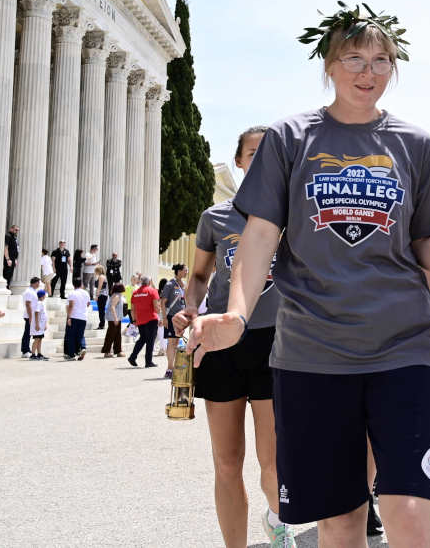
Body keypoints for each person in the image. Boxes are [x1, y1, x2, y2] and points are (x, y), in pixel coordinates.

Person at [185, 4, 430, 547]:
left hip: (404, 347)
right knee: (340, 516)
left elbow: (426, 242)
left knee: (407, 506)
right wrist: (237, 314)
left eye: (381, 59)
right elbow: (260, 236)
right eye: (353, 57)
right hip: (312, 352)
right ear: (328, 65)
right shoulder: (289, 138)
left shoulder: (416, 144)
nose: (368, 71)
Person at [172, 125, 297, 547]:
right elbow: (201, 276)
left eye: (268, 153)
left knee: (272, 463)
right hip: (224, 343)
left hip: (276, 344)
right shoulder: (215, 217)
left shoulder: (293, 215)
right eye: (251, 152)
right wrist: (190, 306)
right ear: (240, 161)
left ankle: (276, 520)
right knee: (226, 463)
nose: (259, 159)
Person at [160, 264, 188, 379]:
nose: (187, 272)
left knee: (176, 343)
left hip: (180, 318)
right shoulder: (170, 284)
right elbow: (162, 301)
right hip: (171, 317)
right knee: (171, 342)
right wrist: (164, 317)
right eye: (185, 270)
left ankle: (174, 367)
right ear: (179, 271)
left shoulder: (183, 285)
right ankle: (169, 368)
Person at [127, 276, 160, 368]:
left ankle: (132, 357)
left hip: (140, 319)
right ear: (149, 282)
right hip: (151, 319)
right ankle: (148, 362)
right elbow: (156, 308)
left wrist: (134, 320)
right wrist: (160, 314)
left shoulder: (135, 293)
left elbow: (132, 309)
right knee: (150, 340)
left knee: (143, 339)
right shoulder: (152, 291)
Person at [64, 280, 90, 360]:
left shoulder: (72, 293)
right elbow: (88, 304)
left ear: (73, 285)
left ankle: (71, 355)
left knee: (71, 336)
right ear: (81, 284)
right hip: (83, 317)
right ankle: (83, 347)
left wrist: (69, 317)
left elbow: (71, 306)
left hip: (74, 316)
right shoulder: (86, 293)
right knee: (80, 335)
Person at [20, 277, 42, 359]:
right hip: (30, 316)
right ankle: (25, 350)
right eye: (38, 283)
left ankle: (27, 350)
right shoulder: (29, 292)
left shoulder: (33, 291)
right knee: (27, 333)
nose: (39, 285)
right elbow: (28, 304)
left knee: (29, 333)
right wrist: (30, 317)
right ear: (35, 283)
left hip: (32, 316)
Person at [101, 283, 125, 358]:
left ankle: (118, 351)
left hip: (117, 318)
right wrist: (115, 318)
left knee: (117, 335)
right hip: (113, 318)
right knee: (111, 335)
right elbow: (112, 307)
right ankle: (107, 351)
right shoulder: (117, 296)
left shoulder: (117, 295)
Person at [30, 289, 49, 360]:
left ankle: (39, 353)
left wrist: (45, 324)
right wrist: (37, 324)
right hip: (38, 325)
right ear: (42, 296)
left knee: (40, 339)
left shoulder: (41, 303)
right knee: (37, 339)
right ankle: (32, 354)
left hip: (41, 325)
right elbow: (36, 313)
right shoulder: (39, 303)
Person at [4, 224, 20, 289]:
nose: (16, 231)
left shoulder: (14, 237)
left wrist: (15, 259)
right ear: (11, 229)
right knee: (7, 273)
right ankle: (5, 288)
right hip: (8, 258)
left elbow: (16, 249)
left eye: (17, 230)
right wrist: (7, 259)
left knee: (10, 274)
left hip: (13, 259)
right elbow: (5, 247)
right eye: (15, 230)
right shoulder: (8, 236)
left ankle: (8, 287)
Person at [94, 266, 108, 330]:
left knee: (101, 310)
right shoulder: (101, 276)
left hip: (102, 295)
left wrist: (97, 295)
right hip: (103, 295)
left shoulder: (101, 277)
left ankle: (102, 324)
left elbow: (99, 286)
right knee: (101, 310)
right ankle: (102, 324)